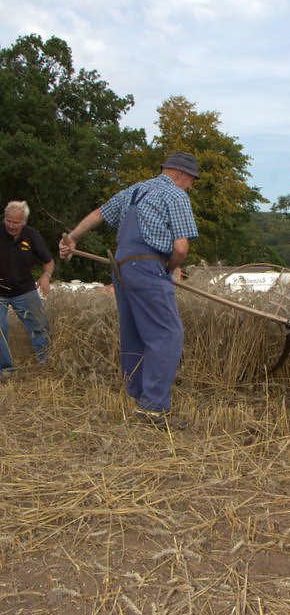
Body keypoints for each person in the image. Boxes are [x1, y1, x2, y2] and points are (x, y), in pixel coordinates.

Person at [59, 151, 199, 429]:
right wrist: (168, 270)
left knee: (134, 334)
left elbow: (99, 214)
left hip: (121, 269)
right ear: (179, 174)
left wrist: (72, 237)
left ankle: (136, 397)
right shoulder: (176, 195)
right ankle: (153, 408)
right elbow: (181, 248)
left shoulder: (133, 191)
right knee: (167, 334)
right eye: (191, 180)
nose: (191, 186)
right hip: (148, 268)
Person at [0, 200, 54, 376]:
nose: (11, 225)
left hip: (25, 290)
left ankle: (44, 363)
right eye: (8, 221)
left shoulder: (32, 236)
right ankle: (5, 369)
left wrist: (46, 276)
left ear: (24, 222)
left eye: (16, 222)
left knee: (40, 326)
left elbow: (48, 262)